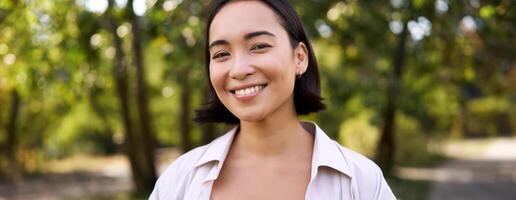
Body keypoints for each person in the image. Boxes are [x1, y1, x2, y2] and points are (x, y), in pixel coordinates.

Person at [149, 0, 396, 199]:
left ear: (299, 57)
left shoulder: (361, 181)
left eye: (258, 46)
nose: (238, 69)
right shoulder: (179, 180)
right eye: (222, 54)